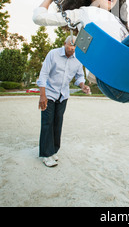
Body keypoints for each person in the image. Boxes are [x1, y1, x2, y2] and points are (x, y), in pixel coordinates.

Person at [37, 36, 91, 167]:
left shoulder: (78, 59)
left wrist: (83, 86)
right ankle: (46, 154)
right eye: (70, 45)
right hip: (49, 93)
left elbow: (79, 77)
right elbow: (43, 74)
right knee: (47, 122)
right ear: (64, 43)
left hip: (63, 95)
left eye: (74, 46)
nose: (72, 48)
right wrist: (42, 95)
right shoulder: (53, 54)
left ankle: (53, 150)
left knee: (57, 123)